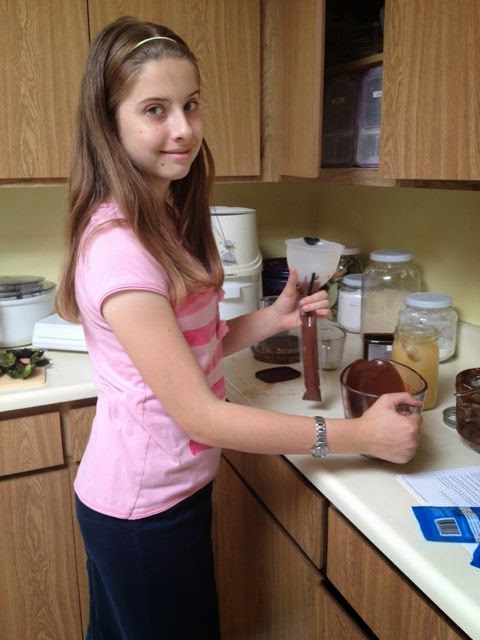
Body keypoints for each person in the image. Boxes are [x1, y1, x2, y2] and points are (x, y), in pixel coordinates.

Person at [56, 16, 421, 640]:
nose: (183, 128)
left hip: (164, 495)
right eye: (155, 109)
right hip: (142, 511)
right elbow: (201, 416)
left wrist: (275, 317)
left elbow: (201, 346)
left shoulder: (161, 219)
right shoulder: (120, 249)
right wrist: (357, 434)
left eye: (191, 104)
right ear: (108, 123)